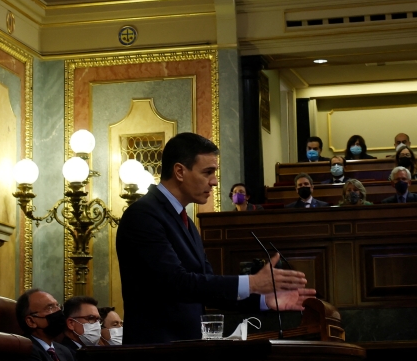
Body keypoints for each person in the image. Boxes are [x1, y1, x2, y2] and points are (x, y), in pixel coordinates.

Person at [116, 132, 313, 344]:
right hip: (155, 352)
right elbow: (175, 282)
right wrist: (252, 283)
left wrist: (263, 300)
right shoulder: (143, 215)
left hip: (185, 349)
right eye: (208, 172)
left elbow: (207, 291)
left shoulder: (187, 223)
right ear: (180, 171)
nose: (215, 182)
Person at [16, 289, 76, 361]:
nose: (58, 310)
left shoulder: (64, 351)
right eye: (50, 308)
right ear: (31, 321)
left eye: (57, 305)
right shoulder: (24, 350)